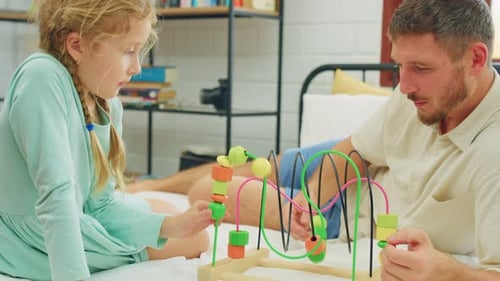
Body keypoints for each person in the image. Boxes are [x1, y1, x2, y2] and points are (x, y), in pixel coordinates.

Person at [132, 0, 500, 279]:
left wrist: (449, 271)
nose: (403, 85)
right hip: (343, 165)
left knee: (206, 190)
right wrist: (311, 201)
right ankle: (148, 184)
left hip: (351, 217)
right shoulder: (416, 95)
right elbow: (353, 149)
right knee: (238, 169)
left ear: (476, 59)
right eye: (398, 66)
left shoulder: (493, 152)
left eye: (421, 68)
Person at [0, 1, 214, 281]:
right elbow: (56, 197)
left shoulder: (108, 104)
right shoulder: (41, 76)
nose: (137, 67)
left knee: (182, 227)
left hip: (74, 218)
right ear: (77, 45)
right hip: (26, 241)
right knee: (192, 240)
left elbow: (100, 204)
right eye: (128, 51)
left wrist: (171, 226)